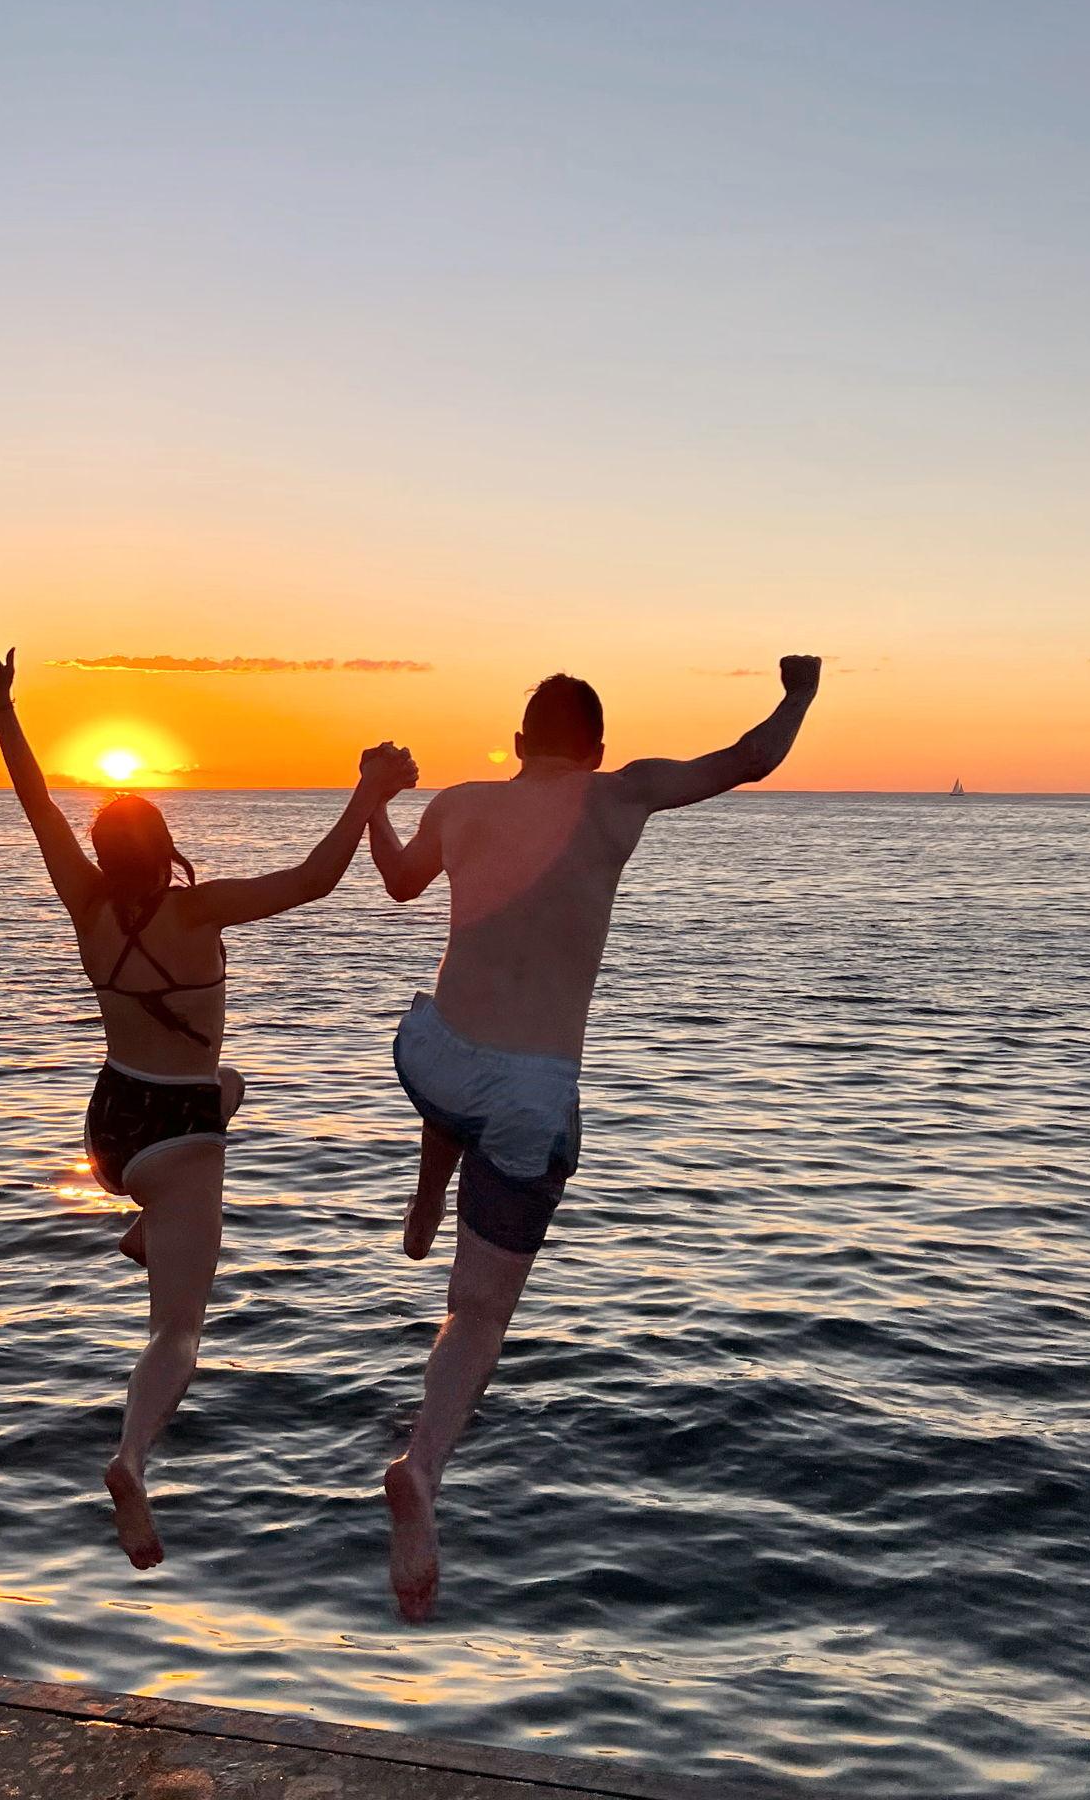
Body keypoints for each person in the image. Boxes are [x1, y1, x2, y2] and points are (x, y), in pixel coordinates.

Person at [366, 655, 822, 1620]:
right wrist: (799, 693)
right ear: (598, 749)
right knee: (479, 1312)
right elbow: (748, 758)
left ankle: (426, 1194)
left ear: (520, 741)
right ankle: (422, 1468)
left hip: (433, 1057)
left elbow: (401, 883)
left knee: (451, 1066)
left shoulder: (460, 801)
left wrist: (373, 799)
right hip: (531, 1090)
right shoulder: (624, 796)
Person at [0, 627, 418, 1572]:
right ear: (165, 847)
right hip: (177, 1138)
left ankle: (139, 1228)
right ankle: (131, 1457)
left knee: (231, 1082)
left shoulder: (82, 900)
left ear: (101, 849)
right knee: (179, 1328)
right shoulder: (196, 908)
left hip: (107, 1124)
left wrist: (2, 702)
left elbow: (33, 798)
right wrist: (369, 793)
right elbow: (314, 880)